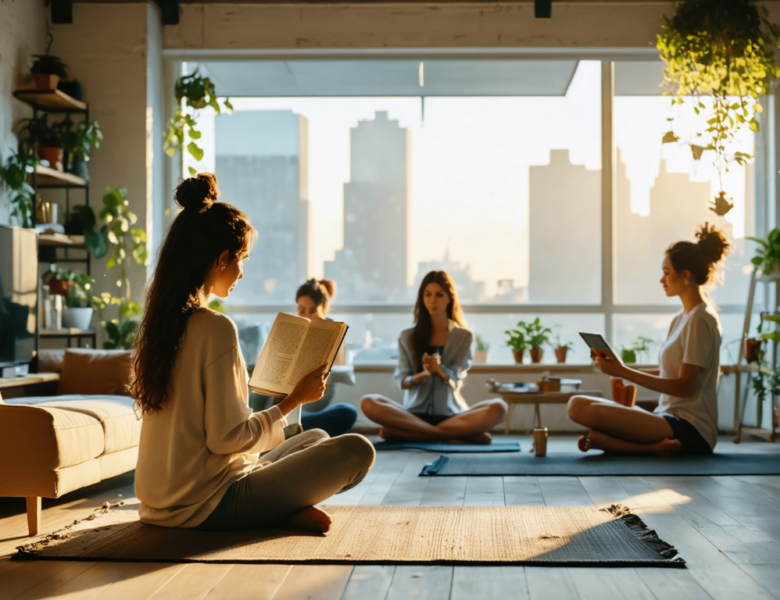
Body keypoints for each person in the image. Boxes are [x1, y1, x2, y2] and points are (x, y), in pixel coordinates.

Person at [132, 173, 375, 534]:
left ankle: (279, 507)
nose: (241, 273)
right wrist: (293, 400)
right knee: (358, 450)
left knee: (315, 439)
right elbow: (226, 439)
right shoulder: (214, 327)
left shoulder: (160, 325)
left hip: (163, 499)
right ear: (222, 259)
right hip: (205, 503)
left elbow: (218, 439)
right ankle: (278, 511)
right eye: (241, 259)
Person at [567, 223, 730, 456]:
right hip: (666, 417)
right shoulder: (680, 319)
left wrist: (623, 371)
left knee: (582, 409)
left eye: (667, 272)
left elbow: (683, 387)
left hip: (691, 429)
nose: (662, 280)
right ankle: (646, 446)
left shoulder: (700, 320)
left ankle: (650, 448)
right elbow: (669, 374)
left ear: (685, 276)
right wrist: (620, 369)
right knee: (577, 404)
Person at [361, 270, 507, 443]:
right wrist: (424, 374)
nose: (432, 300)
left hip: (452, 415)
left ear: (449, 298)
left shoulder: (464, 336)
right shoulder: (407, 336)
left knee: (500, 407)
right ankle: (450, 435)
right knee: (368, 402)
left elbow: (456, 381)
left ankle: (418, 435)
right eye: (428, 294)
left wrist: (439, 370)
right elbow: (402, 381)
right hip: (413, 415)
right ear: (421, 297)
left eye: (439, 295)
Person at [295, 278, 358, 437]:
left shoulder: (334, 333)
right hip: (290, 405)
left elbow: (343, 369)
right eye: (302, 311)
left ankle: (292, 431)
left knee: (347, 412)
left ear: (324, 309)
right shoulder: (293, 331)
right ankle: (293, 431)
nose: (307, 317)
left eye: (312, 311)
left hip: (316, 407)